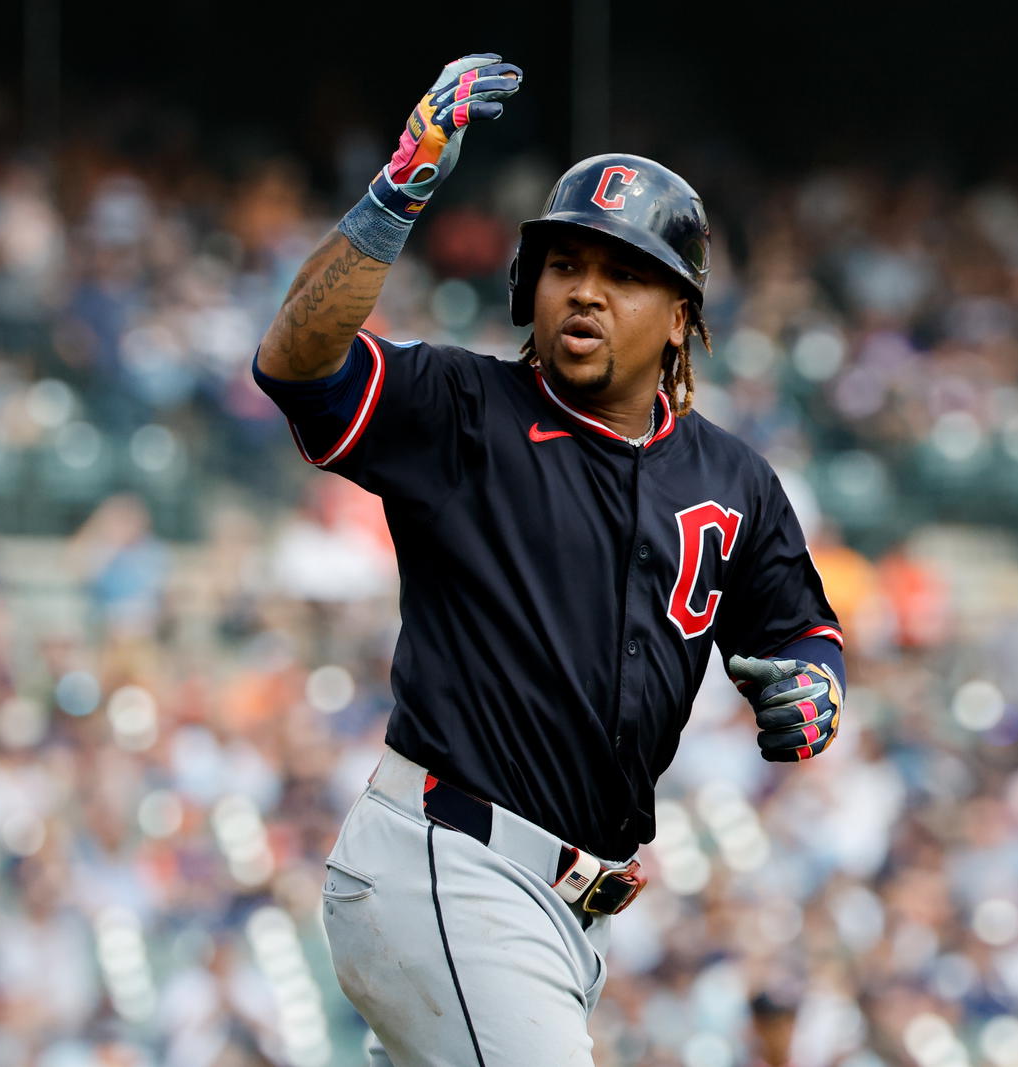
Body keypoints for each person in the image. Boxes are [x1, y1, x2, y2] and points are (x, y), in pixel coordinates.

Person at [253, 53, 845, 1067]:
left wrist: (814, 684)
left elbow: (797, 627)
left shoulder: (731, 477)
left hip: (570, 915)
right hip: (449, 864)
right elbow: (296, 364)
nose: (586, 291)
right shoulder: (465, 412)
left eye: (623, 273)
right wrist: (394, 196)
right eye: (568, 265)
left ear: (681, 318)